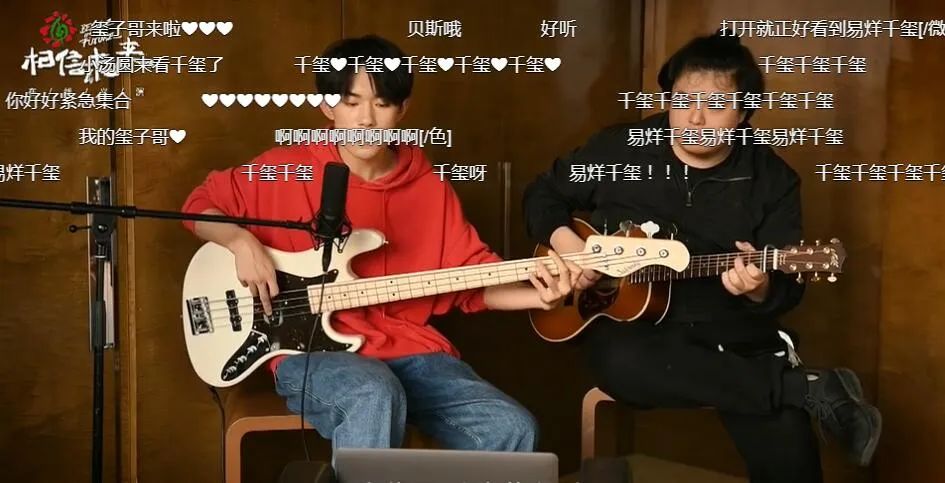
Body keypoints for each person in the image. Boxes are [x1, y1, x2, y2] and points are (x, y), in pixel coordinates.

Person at [182, 35, 581, 451]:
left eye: (382, 103)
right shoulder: (286, 168)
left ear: (403, 108)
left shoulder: (429, 188)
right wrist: (240, 241)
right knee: (373, 393)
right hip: (312, 352)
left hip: (410, 350)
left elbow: (470, 281)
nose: (366, 120)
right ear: (327, 106)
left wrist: (539, 297)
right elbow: (199, 204)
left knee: (512, 427)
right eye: (351, 102)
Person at [522, 30, 881, 482]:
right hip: (638, 333)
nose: (694, 117)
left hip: (731, 335)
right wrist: (572, 246)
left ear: (745, 112)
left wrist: (759, 288)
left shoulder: (772, 179)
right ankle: (803, 387)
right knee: (621, 364)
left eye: (715, 104)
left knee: (791, 459)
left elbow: (787, 289)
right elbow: (543, 194)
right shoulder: (620, 148)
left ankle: (787, 390)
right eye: (683, 100)